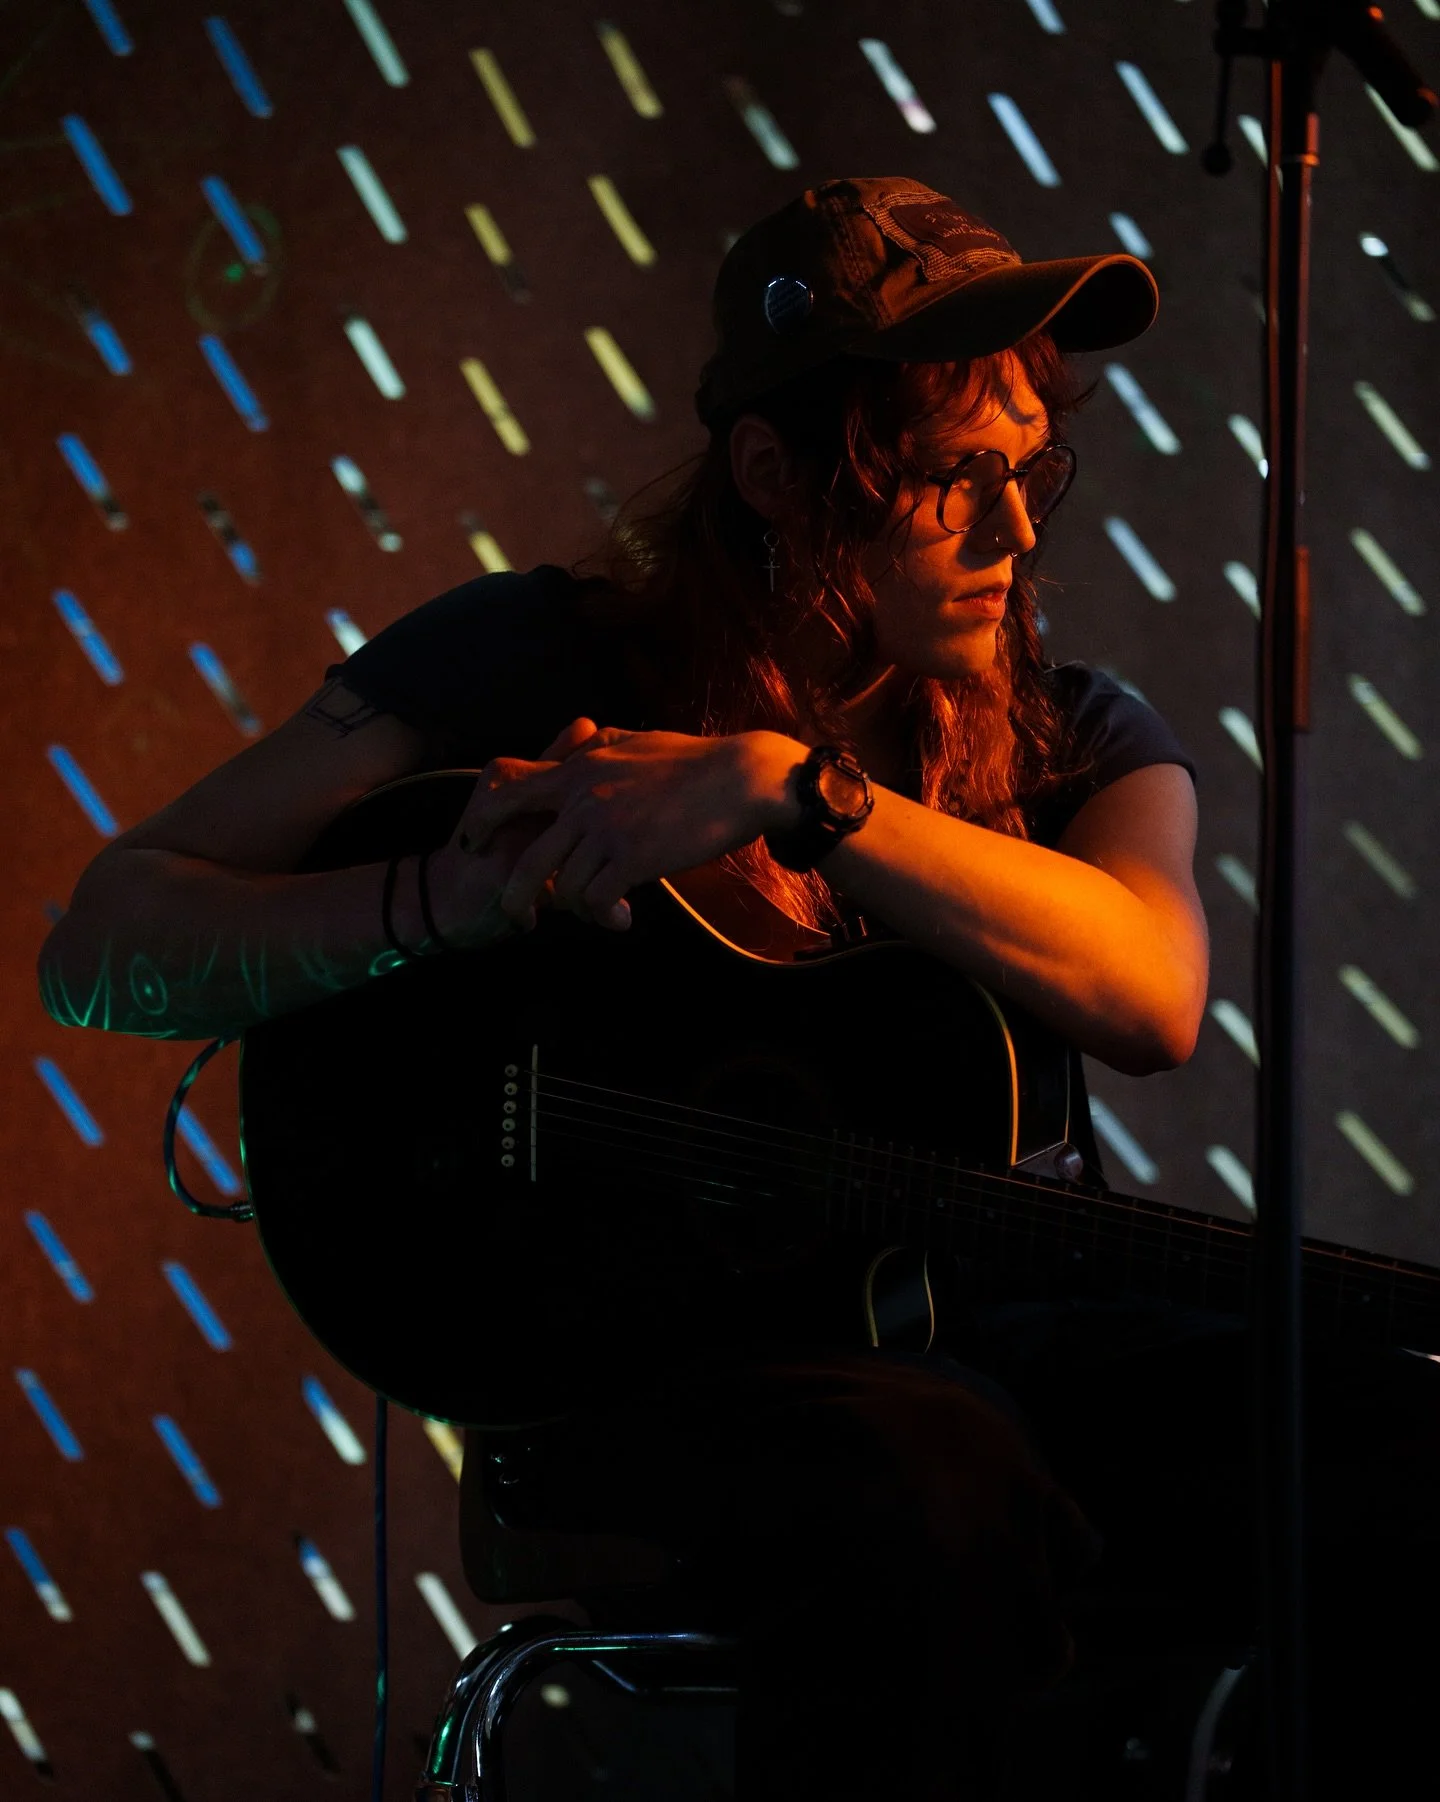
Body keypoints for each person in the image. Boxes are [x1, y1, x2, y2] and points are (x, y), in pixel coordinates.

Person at [35, 178, 1432, 1798]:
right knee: (929, 1480)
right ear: (776, 472)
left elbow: (1153, 993)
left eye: (1030, 463)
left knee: (1394, 1440)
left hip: (1017, 1332)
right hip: (640, 1373)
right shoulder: (537, 654)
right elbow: (106, 940)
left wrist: (799, 794)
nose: (1018, 527)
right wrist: (441, 899)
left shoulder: (1076, 737)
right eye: (950, 476)